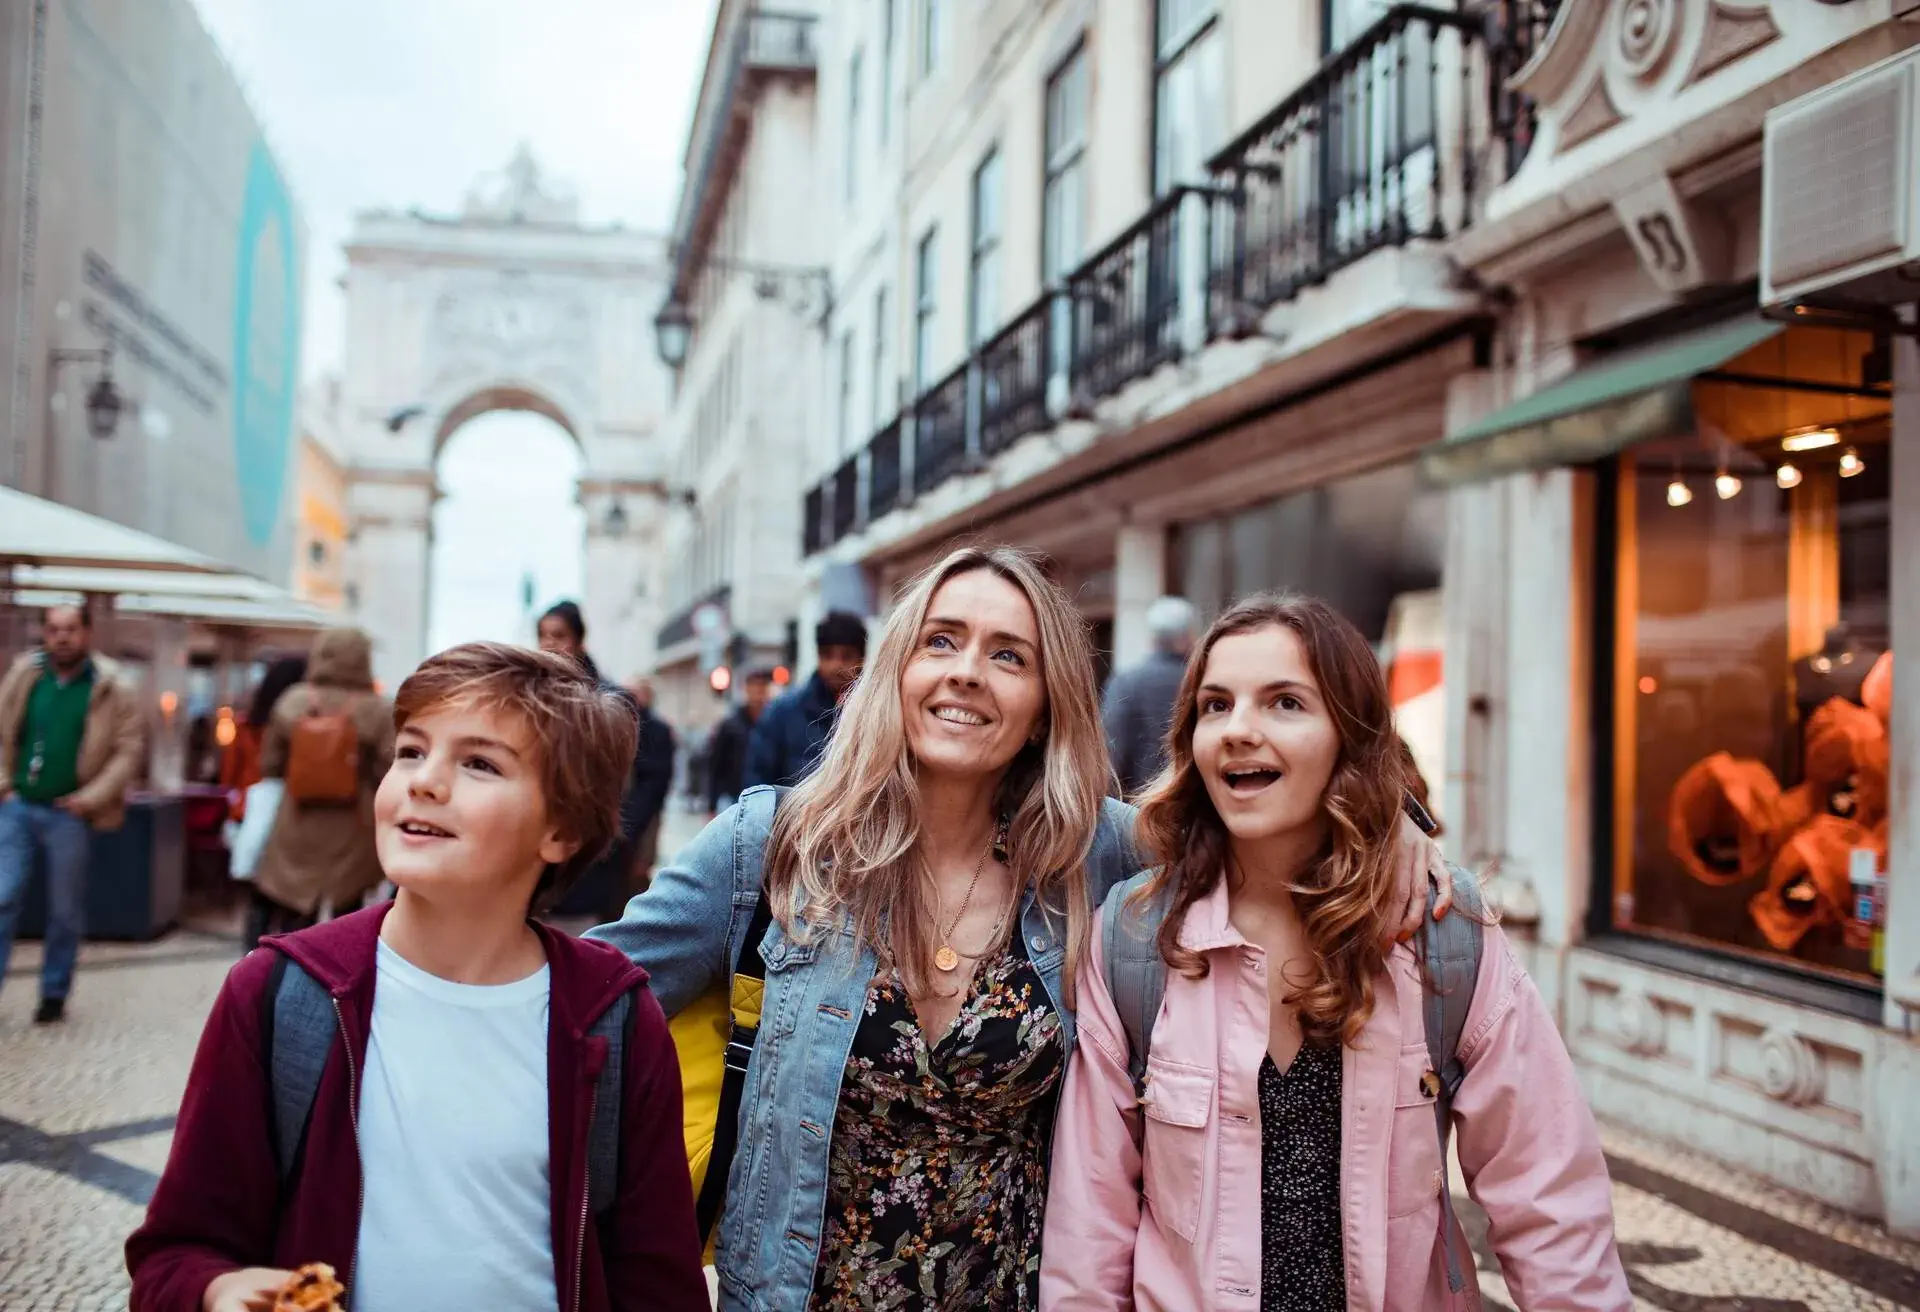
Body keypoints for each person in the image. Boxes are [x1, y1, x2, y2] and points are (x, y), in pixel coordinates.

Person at [589, 548, 1451, 1311]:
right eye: (941, 640)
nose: (967, 672)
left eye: (1009, 656)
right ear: (895, 671)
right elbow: (581, 1003)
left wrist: (1393, 823)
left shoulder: (1094, 854)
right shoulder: (770, 849)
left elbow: (1263, 820)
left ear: (1043, 706)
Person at [1041, 594, 1629, 1311]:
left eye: (1285, 703)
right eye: (1215, 705)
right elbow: (1090, 1224)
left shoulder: (1441, 931)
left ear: (1348, 736)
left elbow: (1550, 1203)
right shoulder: (1134, 940)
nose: (1239, 730)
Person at [126, 642, 708, 1312]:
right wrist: (218, 1289)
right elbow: (173, 1253)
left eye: (480, 763)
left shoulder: (614, 1019)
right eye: (410, 750)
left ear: (561, 829)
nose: (424, 781)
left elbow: (659, 1284)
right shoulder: (281, 993)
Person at [0, 605, 143, 1023]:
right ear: (44, 633)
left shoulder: (111, 685)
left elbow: (128, 749)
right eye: (54, 629)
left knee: (64, 910)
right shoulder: (25, 675)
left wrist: (90, 798)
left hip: (71, 812)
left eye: (70, 629)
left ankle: (54, 993)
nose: (61, 637)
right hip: (19, 806)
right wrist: (4, 785)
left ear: (87, 633)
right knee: (2, 897)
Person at [251, 628, 394, 936]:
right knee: (350, 918)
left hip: (296, 823)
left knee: (289, 911)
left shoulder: (293, 701)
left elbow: (270, 766)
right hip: (355, 829)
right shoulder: (379, 711)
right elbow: (391, 771)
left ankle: (280, 974)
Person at [743, 610, 866, 789]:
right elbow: (758, 783)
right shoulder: (782, 712)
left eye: (846, 656)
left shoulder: (877, 711)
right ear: (818, 656)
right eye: (828, 655)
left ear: (861, 659)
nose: (836, 665)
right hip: (796, 814)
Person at [1102, 595, 1197, 798]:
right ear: (1188, 636)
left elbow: (1112, 751)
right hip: (1190, 802)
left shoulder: (1126, 682)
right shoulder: (1200, 683)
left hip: (1138, 805)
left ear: (1153, 637)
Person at [620, 675, 676, 901]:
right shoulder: (624, 724)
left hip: (647, 810)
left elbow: (659, 778)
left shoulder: (657, 729)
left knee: (639, 869)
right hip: (631, 808)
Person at [706, 667, 773, 813]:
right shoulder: (730, 724)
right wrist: (711, 803)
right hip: (734, 796)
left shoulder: (775, 722)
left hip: (767, 796)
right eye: (754, 686)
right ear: (746, 688)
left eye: (762, 686)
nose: (758, 691)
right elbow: (716, 764)